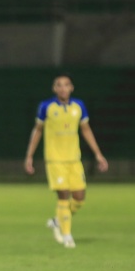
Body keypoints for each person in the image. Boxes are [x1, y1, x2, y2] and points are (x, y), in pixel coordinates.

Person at [24, 73, 108, 248]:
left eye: (66, 85)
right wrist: (30, 156)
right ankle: (67, 235)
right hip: (55, 160)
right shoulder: (46, 106)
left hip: (74, 160)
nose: (63, 88)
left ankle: (58, 220)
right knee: (63, 195)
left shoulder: (79, 106)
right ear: (54, 89)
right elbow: (37, 130)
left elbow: (86, 130)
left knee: (79, 198)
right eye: (59, 85)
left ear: (71, 88)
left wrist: (98, 154)